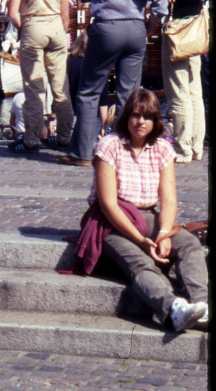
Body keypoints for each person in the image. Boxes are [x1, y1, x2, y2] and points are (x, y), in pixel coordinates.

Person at [70, 88, 207, 333]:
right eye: (135, 115)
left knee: (189, 244)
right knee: (140, 261)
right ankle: (173, 310)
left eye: (147, 116)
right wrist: (141, 240)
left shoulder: (163, 149)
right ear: (126, 118)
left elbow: (169, 199)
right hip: (111, 221)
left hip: (147, 215)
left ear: (156, 121)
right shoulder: (110, 145)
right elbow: (108, 204)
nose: (140, 121)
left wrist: (164, 233)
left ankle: (201, 305)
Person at [62, 0, 168, 166]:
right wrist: (147, 30)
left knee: (89, 90)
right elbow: (161, 7)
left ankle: (82, 154)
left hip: (106, 27)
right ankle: (124, 151)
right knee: (129, 94)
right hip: (135, 28)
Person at [5, 0, 73, 154]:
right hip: (56, 29)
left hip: (33, 27)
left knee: (34, 90)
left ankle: (32, 140)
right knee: (61, 88)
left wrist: (25, 29)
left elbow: (12, 12)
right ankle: (64, 137)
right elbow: (65, 16)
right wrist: (60, 33)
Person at [161, 0, 208, 163]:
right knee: (195, 91)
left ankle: (182, 147)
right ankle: (197, 145)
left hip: (179, 35)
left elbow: (166, 0)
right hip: (197, 35)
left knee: (178, 91)